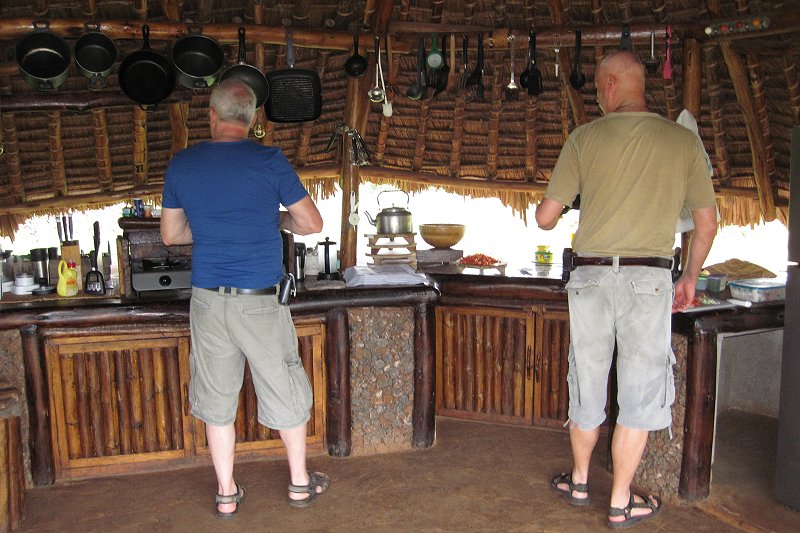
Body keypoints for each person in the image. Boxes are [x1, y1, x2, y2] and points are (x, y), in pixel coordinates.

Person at [535, 50, 717, 529]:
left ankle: (578, 480)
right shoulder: (681, 142)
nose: (597, 94)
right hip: (649, 281)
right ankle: (619, 501)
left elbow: (545, 218)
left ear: (612, 85)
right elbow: (706, 223)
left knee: (588, 383)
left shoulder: (583, 138)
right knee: (639, 393)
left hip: (591, 278)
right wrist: (690, 277)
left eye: (598, 85)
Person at [161, 79, 328, 519]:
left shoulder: (182, 164)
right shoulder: (269, 160)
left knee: (217, 398)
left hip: (208, 302)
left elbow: (172, 235)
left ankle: (226, 493)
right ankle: (298, 484)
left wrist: (216, 226)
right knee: (285, 386)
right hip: (259, 301)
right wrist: (272, 219)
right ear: (253, 121)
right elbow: (312, 224)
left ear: (211, 117)